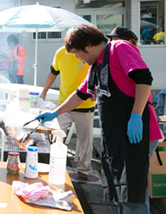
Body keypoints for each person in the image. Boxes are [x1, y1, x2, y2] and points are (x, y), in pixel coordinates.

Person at [36, 25, 163, 214]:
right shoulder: (97, 64)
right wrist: (56, 112)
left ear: (89, 46)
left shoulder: (118, 47)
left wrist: (136, 116)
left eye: (77, 53)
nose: (78, 58)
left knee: (132, 195)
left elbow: (144, 77)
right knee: (120, 193)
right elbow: (81, 93)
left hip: (136, 133)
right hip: (116, 134)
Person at [40, 44, 95, 182]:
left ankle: (83, 171)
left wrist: (96, 89)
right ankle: (52, 165)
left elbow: (98, 72)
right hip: (64, 106)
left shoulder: (90, 52)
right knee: (54, 137)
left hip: (85, 104)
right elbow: (53, 73)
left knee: (86, 142)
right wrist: (44, 91)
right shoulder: (60, 53)